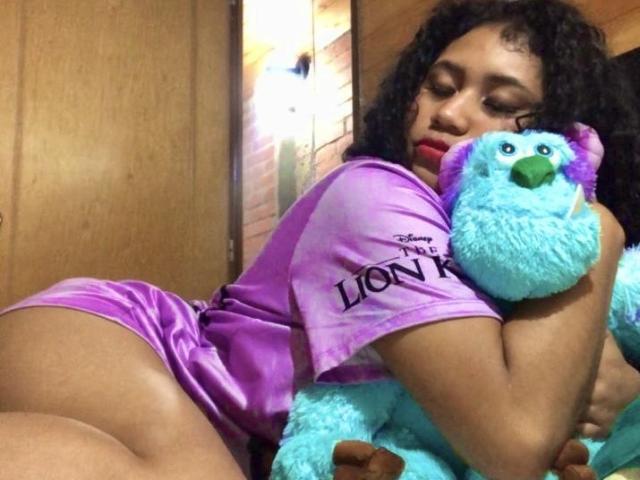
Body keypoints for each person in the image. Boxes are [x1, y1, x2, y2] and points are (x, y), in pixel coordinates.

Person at [1, 0, 639, 479]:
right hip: (133, 347)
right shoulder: (377, 194)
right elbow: (513, 442)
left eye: (499, 104)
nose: (447, 113)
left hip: (229, 425)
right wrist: (597, 225)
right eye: (440, 86)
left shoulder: (491, 255)